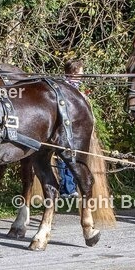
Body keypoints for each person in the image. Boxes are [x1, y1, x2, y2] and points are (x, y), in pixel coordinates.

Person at [55, 59, 85, 198]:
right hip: (66, 125)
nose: (82, 74)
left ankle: (71, 186)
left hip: (73, 126)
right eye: (80, 72)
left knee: (72, 157)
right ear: (73, 73)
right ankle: (66, 188)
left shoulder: (75, 86)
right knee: (63, 158)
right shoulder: (66, 87)